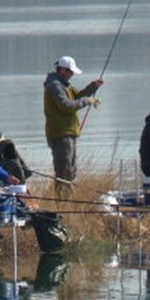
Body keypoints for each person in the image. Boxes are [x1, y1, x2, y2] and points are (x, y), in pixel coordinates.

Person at [43, 55, 103, 199]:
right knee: (64, 171)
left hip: (68, 132)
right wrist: (87, 100)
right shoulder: (55, 86)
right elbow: (67, 106)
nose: (72, 75)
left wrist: (92, 87)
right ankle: (62, 201)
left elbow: (76, 97)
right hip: (60, 133)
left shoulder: (64, 84)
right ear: (62, 70)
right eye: (70, 72)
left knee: (70, 170)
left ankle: (66, 199)